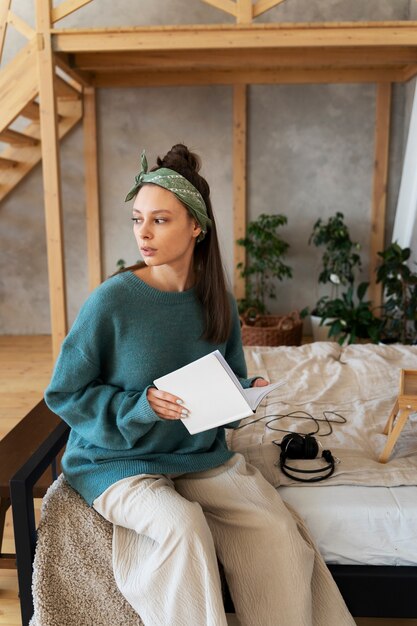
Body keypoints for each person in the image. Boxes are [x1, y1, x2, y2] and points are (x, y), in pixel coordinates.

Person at [45, 144, 355, 626]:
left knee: (274, 527)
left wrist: (246, 390)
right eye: (137, 219)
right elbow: (64, 392)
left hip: (196, 454)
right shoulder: (112, 301)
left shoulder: (217, 302)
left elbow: (225, 385)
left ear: (196, 227)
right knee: (183, 526)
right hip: (115, 461)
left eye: (160, 220)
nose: (143, 233)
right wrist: (141, 405)